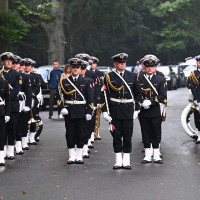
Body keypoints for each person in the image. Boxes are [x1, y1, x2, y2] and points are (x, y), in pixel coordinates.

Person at [102, 53, 142, 170]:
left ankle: (127, 160)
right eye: (120, 62)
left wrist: (137, 110)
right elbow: (104, 95)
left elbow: (138, 95)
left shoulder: (133, 76)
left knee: (128, 136)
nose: (123, 64)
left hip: (129, 110)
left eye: (124, 62)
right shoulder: (109, 77)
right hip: (115, 110)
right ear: (115, 64)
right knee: (116, 136)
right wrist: (105, 111)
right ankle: (118, 160)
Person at [60, 58, 94, 164]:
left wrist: (89, 112)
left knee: (81, 133)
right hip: (69, 111)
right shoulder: (64, 82)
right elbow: (59, 97)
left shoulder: (86, 82)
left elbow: (90, 99)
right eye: (73, 67)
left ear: (80, 69)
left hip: (81, 111)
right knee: (69, 133)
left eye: (77, 67)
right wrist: (62, 108)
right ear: (70, 68)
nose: (75, 69)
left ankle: (79, 155)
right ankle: (71, 155)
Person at [137, 55, 167, 164]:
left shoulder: (160, 79)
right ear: (144, 67)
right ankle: (147, 155)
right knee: (145, 132)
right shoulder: (139, 78)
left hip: (155, 110)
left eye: (152, 66)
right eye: (148, 66)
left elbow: (162, 95)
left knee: (156, 132)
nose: (150, 68)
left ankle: (156, 154)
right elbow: (136, 93)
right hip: (143, 110)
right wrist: (141, 101)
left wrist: (151, 101)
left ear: (156, 67)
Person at [0, 52, 22, 160]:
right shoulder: (0, 73)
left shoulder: (16, 74)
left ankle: (10, 150)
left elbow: (16, 90)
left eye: (10, 61)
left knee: (12, 129)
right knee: (2, 130)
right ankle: (2, 150)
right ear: (3, 62)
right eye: (6, 61)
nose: (8, 62)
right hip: (2, 106)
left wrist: (6, 98)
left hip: (12, 105)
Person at [187, 55, 200, 144]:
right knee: (198, 118)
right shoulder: (193, 74)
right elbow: (188, 84)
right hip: (196, 99)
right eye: (199, 62)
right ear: (197, 63)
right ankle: (199, 136)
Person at [0, 67, 10, 166]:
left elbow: (7, 99)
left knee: (2, 135)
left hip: (1, 111)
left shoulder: (4, 82)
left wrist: (7, 113)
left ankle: (1, 156)